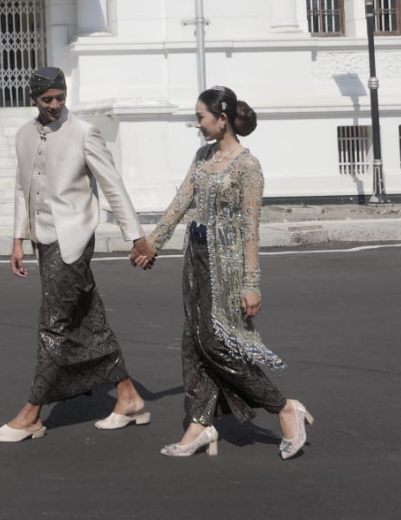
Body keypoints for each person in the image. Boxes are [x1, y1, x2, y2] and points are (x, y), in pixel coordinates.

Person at [130, 85, 313, 460]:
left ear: (222, 118)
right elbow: (181, 201)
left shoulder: (248, 166)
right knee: (193, 343)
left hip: (226, 268)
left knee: (217, 343)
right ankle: (200, 424)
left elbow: (250, 229)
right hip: (195, 260)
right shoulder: (202, 156)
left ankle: (283, 407)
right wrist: (152, 244)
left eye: (201, 117)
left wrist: (252, 284)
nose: (197, 124)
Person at [0, 66, 156, 443]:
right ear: (32, 98)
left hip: (74, 240)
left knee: (54, 325)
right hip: (43, 240)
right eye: (47, 99)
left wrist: (136, 236)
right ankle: (128, 397)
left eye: (60, 98)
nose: (55, 105)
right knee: (89, 320)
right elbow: (21, 189)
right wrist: (18, 239)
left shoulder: (83, 132)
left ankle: (31, 415)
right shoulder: (23, 135)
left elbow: (112, 185)